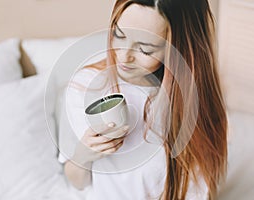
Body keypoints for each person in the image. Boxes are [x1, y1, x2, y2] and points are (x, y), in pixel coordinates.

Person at [58, 0, 227, 199]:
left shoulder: (191, 102)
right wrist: (84, 154)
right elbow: (78, 183)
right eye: (118, 35)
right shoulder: (86, 86)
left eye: (145, 49)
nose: (124, 56)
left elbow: (199, 188)